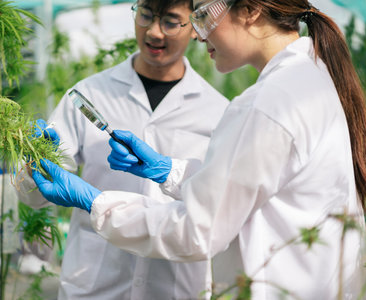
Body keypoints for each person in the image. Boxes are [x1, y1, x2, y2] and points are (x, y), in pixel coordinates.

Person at [31, 0, 366, 298]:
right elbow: (245, 191)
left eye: (199, 16)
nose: (199, 34)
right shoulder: (306, 80)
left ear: (248, 10)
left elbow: (197, 229)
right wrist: (170, 171)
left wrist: (94, 202)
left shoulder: (265, 104)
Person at [17, 0, 229, 299]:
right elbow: (34, 197)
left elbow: (219, 210)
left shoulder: (219, 112)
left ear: (195, 26)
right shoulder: (89, 95)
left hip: (177, 288)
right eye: (145, 15)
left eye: (170, 21)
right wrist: (33, 166)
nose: (154, 32)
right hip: (94, 286)